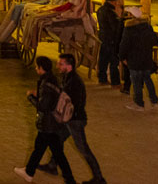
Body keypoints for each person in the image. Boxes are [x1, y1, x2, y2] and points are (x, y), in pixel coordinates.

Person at [36, 53, 104, 184]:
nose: (57, 66)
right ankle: (52, 165)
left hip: (75, 121)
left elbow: (71, 102)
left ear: (69, 66)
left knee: (83, 149)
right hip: (71, 119)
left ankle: (99, 178)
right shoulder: (69, 78)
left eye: (61, 64)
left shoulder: (74, 82)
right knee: (57, 140)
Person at [14, 56, 76, 184]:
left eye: (37, 67)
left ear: (41, 68)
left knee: (57, 153)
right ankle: (29, 172)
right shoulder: (52, 79)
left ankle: (70, 180)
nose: (36, 69)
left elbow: (43, 106)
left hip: (49, 124)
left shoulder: (46, 84)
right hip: (52, 123)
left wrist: (30, 97)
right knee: (40, 148)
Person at [118, 6, 158, 110]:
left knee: (136, 81)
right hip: (146, 58)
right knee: (147, 79)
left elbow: (124, 44)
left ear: (131, 16)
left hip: (134, 59)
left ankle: (139, 103)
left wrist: (122, 57)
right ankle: (154, 101)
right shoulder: (147, 27)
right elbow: (155, 41)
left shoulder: (129, 29)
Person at [95, 0, 123, 87]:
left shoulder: (100, 10)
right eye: (115, 1)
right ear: (111, 2)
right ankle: (115, 82)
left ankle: (102, 79)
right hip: (111, 39)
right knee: (113, 61)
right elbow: (115, 27)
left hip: (103, 37)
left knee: (103, 59)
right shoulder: (110, 12)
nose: (117, 3)